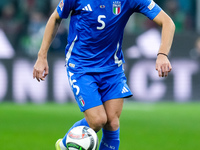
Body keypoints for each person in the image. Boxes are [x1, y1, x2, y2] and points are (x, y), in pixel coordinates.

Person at [33, 0, 175, 149]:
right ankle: (63, 145)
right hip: (81, 66)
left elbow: (168, 22)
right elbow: (55, 18)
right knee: (97, 120)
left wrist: (162, 54)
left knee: (112, 122)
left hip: (112, 68)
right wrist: (42, 56)